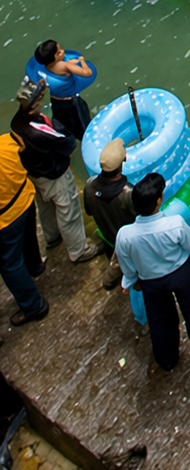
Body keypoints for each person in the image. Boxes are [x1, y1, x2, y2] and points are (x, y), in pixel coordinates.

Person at [116, 172, 190, 371]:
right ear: (159, 200)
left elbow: (126, 264)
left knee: (160, 321)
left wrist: (130, 281)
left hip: (151, 281)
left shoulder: (125, 235)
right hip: (182, 274)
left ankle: (167, 360)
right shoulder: (174, 224)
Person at [10, 78, 100, 265]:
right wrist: (60, 129)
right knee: (69, 209)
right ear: (35, 103)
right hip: (54, 174)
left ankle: (52, 237)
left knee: (45, 206)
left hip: (35, 173)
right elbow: (65, 143)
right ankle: (78, 250)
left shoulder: (17, 122)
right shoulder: (38, 130)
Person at [0, 131, 48, 327]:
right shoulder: (7, 140)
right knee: (29, 237)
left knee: (9, 263)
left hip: (5, 219)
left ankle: (33, 305)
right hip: (25, 198)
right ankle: (36, 266)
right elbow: (23, 146)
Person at [82, 138, 135, 290]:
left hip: (108, 239)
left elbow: (89, 211)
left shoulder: (89, 186)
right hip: (127, 245)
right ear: (122, 163)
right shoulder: (128, 193)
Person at [32, 41, 92, 141]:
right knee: (84, 127)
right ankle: (87, 141)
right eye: (59, 52)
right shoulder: (65, 66)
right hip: (72, 104)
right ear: (53, 58)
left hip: (56, 102)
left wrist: (70, 63)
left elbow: (57, 66)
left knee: (65, 125)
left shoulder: (45, 67)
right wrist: (82, 61)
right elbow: (87, 73)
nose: (63, 51)